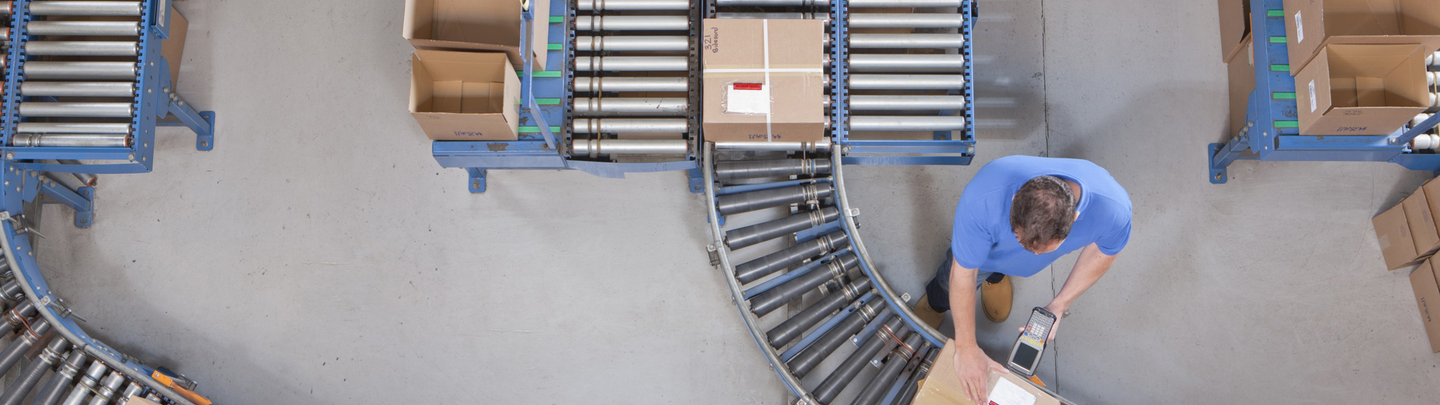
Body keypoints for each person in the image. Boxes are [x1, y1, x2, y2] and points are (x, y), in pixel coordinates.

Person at [910, 155, 1132, 404]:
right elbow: (963, 272)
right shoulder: (984, 196)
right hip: (980, 258)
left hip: (1007, 260)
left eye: (1044, 249)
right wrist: (965, 347)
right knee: (946, 284)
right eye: (1020, 239)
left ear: (1075, 219)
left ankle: (996, 278)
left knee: (1009, 263)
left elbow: (1105, 251)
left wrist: (1059, 305)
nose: (1033, 254)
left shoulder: (1113, 210)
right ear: (1015, 200)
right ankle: (936, 303)